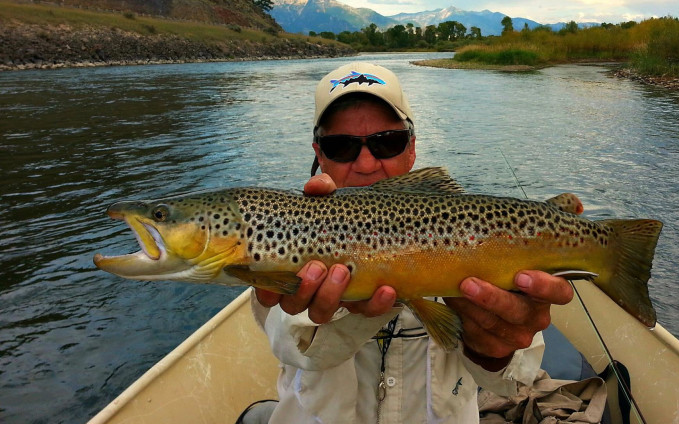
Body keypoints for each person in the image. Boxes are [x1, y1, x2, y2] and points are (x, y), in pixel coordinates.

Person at [244, 62, 574, 423]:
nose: (367, 164)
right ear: (319, 154)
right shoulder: (279, 237)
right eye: (341, 146)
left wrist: (494, 350)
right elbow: (296, 348)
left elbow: (514, 380)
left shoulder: (471, 235)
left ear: (412, 148)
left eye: (388, 143)